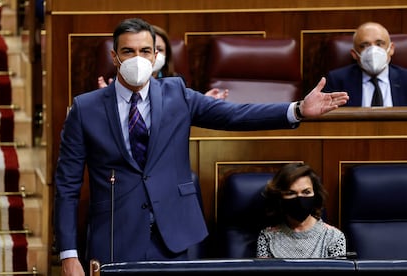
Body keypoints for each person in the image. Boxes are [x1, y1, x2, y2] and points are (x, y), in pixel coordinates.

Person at [54, 17, 348, 275]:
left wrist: (296, 110)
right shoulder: (85, 108)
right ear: (114, 56)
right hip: (115, 236)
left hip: (173, 234)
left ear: (156, 54)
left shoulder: (176, 93)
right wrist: (68, 255)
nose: (136, 58)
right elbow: (67, 186)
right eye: (128, 51)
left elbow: (235, 115)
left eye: (145, 51)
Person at [98, 25, 229, 100]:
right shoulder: (119, 81)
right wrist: (108, 98)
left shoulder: (176, 82)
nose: (144, 56)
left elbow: (184, 108)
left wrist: (203, 102)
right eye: (146, 49)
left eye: (159, 49)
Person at [256, 163, 346, 258]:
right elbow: (264, 272)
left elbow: (338, 272)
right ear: (279, 198)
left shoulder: (333, 237)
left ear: (315, 195)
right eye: (291, 193)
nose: (300, 199)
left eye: (306, 192)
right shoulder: (268, 237)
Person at [325, 22, 407, 107]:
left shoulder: (405, 79)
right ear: (354, 54)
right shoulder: (337, 81)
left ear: (391, 49)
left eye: (379, 44)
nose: (373, 51)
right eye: (364, 46)